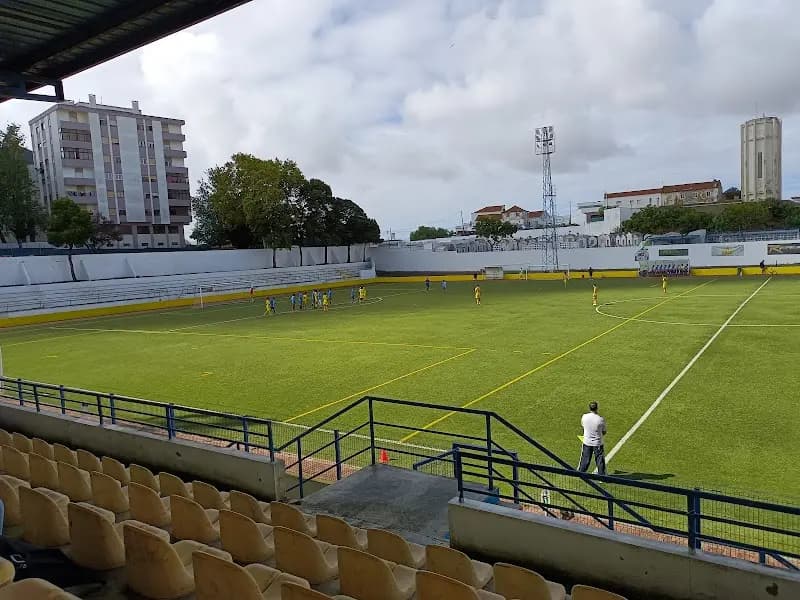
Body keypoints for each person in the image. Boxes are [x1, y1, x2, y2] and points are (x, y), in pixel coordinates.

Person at [578, 402, 607, 475]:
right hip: (597, 443)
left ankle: (581, 473)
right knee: (599, 460)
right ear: (597, 408)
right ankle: (601, 476)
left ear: (589, 408)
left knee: (585, 458)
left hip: (587, 442)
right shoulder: (600, 419)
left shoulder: (584, 417)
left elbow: (583, 426)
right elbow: (604, 432)